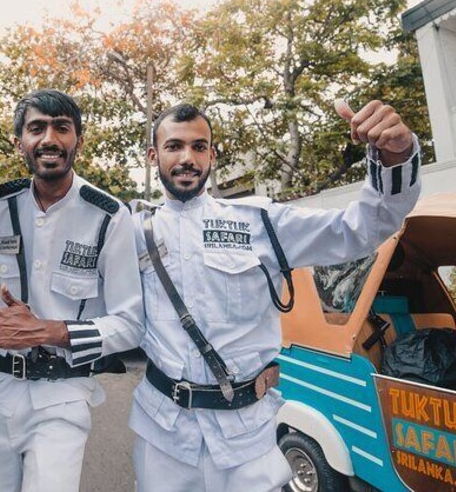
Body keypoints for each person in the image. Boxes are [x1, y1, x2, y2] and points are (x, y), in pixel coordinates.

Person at [129, 101, 421, 491]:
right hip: (162, 436)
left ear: (212, 155)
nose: (188, 158)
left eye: (199, 147)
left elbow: (364, 227)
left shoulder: (260, 221)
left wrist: (395, 157)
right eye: (174, 146)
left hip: (248, 438)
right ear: (153, 156)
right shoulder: (131, 231)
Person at [0, 89, 144, 492]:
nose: (49, 139)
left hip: (63, 396)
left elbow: (130, 323)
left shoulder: (108, 216)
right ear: (20, 143)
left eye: (62, 128)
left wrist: (49, 331)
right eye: (37, 128)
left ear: (79, 143)